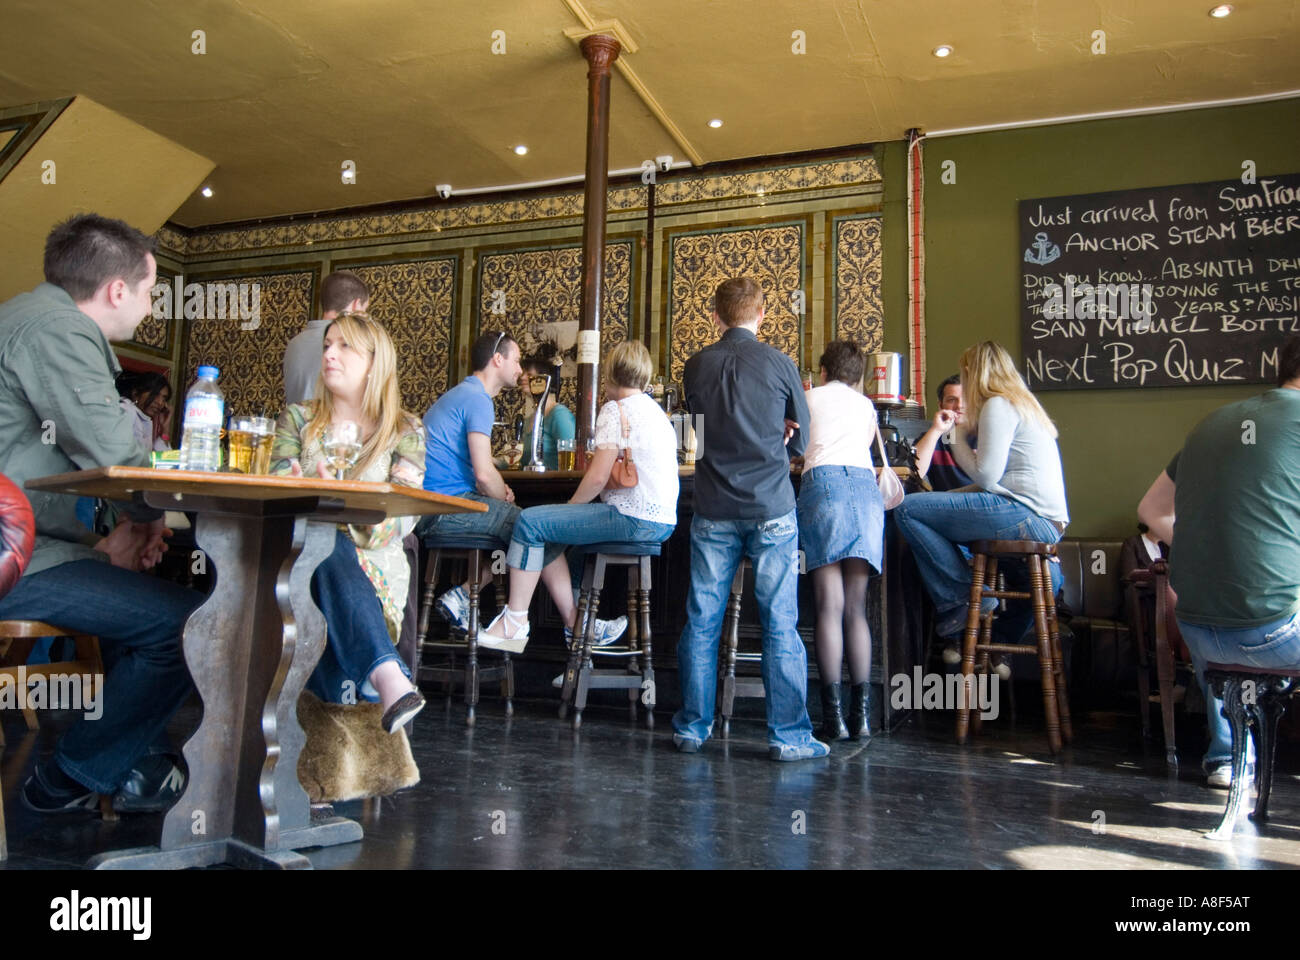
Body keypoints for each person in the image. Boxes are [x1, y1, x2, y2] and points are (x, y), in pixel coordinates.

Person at [0, 213, 203, 815]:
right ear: (118, 290)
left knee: (137, 598)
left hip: (32, 546)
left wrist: (123, 530)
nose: (148, 308)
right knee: (192, 628)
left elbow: (78, 456)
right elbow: (117, 453)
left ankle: (137, 767)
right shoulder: (58, 330)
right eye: (150, 292)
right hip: (20, 562)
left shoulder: (24, 316)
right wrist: (148, 517)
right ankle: (71, 775)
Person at [671, 277, 826, 762]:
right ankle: (789, 737)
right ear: (762, 315)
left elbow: (695, 428)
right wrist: (779, 437)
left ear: (715, 317)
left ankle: (693, 728)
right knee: (781, 622)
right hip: (771, 508)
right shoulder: (781, 364)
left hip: (714, 507)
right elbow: (802, 442)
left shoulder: (695, 366)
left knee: (701, 620)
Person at [1136, 333, 1300, 788]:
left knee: (1227, 601)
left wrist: (1212, 546)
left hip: (1199, 637)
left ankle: (1229, 758)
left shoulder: (1213, 423)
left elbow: (1150, 511)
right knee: (1261, 603)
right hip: (1277, 634)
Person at [270, 311, 426, 732]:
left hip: (373, 566)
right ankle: (386, 675)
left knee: (326, 551)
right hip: (295, 556)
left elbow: (403, 514)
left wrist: (337, 508)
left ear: (375, 363)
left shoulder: (405, 428)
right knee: (320, 544)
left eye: (343, 346)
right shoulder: (299, 419)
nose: (329, 355)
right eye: (326, 345)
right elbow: (276, 489)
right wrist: (307, 498)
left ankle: (315, 775)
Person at [417, 330, 625, 643]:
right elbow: (485, 474)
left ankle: (464, 594)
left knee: (525, 534)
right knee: (536, 527)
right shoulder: (477, 399)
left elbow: (479, 471)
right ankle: (576, 626)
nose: (519, 369)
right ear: (497, 359)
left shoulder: (462, 394)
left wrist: (498, 491)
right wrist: (501, 492)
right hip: (442, 510)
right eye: (515, 360)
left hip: (434, 508)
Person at [479, 341, 676, 650]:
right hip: (662, 522)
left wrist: (569, 509)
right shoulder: (657, 413)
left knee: (531, 522)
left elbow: (597, 477)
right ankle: (581, 632)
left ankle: (515, 621)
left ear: (608, 374)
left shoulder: (616, 409)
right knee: (564, 553)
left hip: (633, 518)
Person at [894, 341, 1069, 674]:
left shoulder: (998, 405)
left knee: (907, 510)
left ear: (974, 373)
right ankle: (987, 631)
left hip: (1024, 516)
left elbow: (987, 476)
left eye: (965, 373)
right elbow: (1003, 482)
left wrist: (958, 434)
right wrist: (957, 494)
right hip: (1046, 522)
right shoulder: (1023, 404)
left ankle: (967, 597)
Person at [797, 340, 883, 742]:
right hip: (865, 491)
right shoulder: (866, 406)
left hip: (824, 486)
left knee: (828, 607)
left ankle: (833, 720)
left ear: (824, 371)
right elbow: (864, 447)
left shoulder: (808, 398)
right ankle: (861, 717)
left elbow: (797, 447)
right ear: (859, 376)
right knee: (856, 608)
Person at [283, 270, 369, 406]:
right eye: (364, 309)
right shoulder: (352, 341)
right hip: (331, 425)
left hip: (294, 423)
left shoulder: (294, 343)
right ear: (355, 305)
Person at [913, 374, 973, 491]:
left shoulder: (988, 436)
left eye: (966, 399)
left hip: (986, 501)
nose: (959, 405)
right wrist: (936, 430)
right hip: (945, 505)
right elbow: (915, 473)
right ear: (941, 405)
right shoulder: (934, 438)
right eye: (952, 400)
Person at [519, 356, 575, 470]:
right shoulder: (530, 419)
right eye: (522, 374)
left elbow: (571, 461)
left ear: (545, 380)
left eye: (529, 374)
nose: (523, 378)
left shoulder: (559, 415)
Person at [115, 370, 172, 452]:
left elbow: (157, 459)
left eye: (164, 398)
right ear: (136, 394)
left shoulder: (143, 418)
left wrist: (165, 429)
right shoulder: (126, 411)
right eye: (155, 394)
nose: (160, 402)